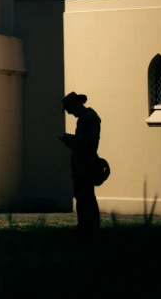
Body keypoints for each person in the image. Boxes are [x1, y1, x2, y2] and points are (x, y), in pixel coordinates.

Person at [60, 91, 101, 234]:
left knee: (86, 196)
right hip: (82, 164)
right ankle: (86, 225)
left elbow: (88, 142)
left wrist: (69, 139)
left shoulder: (89, 118)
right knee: (83, 196)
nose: (70, 113)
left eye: (69, 110)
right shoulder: (86, 118)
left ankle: (88, 226)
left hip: (85, 164)